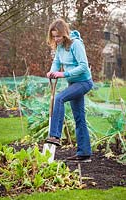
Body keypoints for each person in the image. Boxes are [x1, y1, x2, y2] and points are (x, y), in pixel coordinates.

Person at [46, 18, 93, 161]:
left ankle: (54, 136)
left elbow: (84, 66)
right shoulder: (59, 46)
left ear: (65, 34)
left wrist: (64, 74)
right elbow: (57, 62)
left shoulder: (76, 44)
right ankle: (84, 153)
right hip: (73, 84)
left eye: (58, 36)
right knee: (79, 117)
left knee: (59, 98)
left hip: (84, 82)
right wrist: (52, 72)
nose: (56, 39)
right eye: (54, 36)